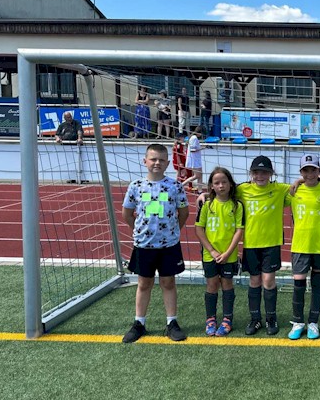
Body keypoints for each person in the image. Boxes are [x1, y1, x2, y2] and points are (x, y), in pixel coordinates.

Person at [121, 143, 190, 343]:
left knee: (168, 282)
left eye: (161, 159)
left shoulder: (175, 186)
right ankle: (139, 323)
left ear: (168, 163)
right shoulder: (136, 186)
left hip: (168, 245)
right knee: (144, 283)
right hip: (144, 244)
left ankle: (172, 322)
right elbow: (127, 212)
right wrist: (139, 229)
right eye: (153, 159)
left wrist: (173, 231)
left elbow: (183, 212)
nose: (157, 163)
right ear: (145, 162)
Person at [232, 155, 293, 336]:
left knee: (268, 281)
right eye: (257, 172)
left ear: (271, 174)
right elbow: (223, 192)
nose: (260, 176)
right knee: (254, 280)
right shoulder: (242, 190)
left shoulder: (280, 189)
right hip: (251, 243)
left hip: (271, 243)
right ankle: (255, 318)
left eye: (264, 172)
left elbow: (302, 188)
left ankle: (271, 318)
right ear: (251, 173)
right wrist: (205, 194)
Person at [287, 153, 320, 341]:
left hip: (319, 246)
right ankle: (297, 322)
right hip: (300, 246)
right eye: (305, 170)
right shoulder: (293, 191)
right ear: (301, 171)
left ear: (319, 171)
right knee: (299, 284)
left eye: (313, 170)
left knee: (317, 285)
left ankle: (313, 323)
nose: (309, 174)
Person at [195, 166, 244, 337]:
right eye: (217, 183)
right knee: (212, 284)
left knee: (227, 284)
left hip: (229, 255)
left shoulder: (237, 206)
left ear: (230, 184)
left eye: (224, 182)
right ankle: (210, 319)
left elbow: (239, 230)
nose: (221, 185)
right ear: (211, 186)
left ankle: (227, 319)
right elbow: (199, 230)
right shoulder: (206, 205)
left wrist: (228, 252)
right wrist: (212, 251)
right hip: (210, 254)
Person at [183, 127, 204, 192]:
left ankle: (200, 190)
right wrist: (202, 148)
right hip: (194, 160)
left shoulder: (194, 138)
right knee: (196, 176)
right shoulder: (194, 138)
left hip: (196, 159)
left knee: (200, 175)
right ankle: (181, 185)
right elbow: (193, 150)